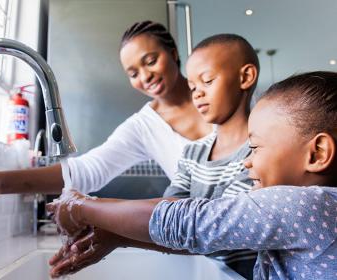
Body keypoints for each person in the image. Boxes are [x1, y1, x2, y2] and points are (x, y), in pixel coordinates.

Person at [48, 71, 337, 280]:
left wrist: (80, 206)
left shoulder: (308, 206)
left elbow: (191, 222)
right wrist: (119, 237)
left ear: (317, 153)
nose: (247, 162)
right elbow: (213, 234)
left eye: (256, 147)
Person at [48, 33, 260, 278]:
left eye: (207, 81)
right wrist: (114, 236)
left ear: (245, 77)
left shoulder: (260, 152)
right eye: (192, 86)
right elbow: (170, 220)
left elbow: (208, 227)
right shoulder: (193, 154)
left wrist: (85, 207)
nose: (197, 93)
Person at [0, 20, 212, 204]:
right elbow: (88, 170)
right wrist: (0, 182)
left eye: (151, 61)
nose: (145, 76)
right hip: (217, 248)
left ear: (173, 53)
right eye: (133, 73)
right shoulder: (143, 127)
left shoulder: (216, 90)